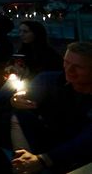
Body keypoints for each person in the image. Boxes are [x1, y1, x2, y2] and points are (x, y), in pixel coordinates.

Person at [10, 42, 92, 173]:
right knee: (20, 113)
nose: (69, 70)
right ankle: (23, 163)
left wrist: (44, 160)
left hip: (81, 153)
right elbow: (23, 101)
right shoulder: (48, 80)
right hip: (50, 141)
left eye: (78, 67)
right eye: (66, 62)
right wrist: (16, 101)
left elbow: (87, 138)